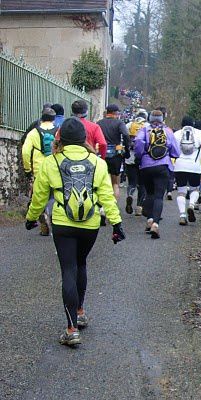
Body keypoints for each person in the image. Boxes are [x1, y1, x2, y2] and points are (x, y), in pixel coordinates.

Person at [24, 118, 125, 346]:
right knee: (81, 264)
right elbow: (106, 197)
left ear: (60, 139)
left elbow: (40, 197)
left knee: (68, 268)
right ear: (84, 138)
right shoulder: (98, 163)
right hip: (90, 225)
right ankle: (80, 311)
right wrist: (117, 224)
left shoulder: (51, 162)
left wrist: (31, 218)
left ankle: (71, 329)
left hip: (63, 223)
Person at [134, 109, 179, 239]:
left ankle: (149, 219)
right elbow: (176, 152)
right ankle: (155, 224)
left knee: (150, 193)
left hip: (146, 166)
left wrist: (140, 156)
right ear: (162, 119)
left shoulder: (144, 130)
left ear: (149, 118)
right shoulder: (168, 131)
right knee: (159, 196)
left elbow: (138, 144)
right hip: (163, 166)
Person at [21, 106, 58, 236]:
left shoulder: (33, 132)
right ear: (54, 119)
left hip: (39, 169)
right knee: (54, 195)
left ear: (41, 118)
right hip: (55, 168)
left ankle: (43, 216)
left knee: (39, 195)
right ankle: (54, 215)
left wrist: (27, 168)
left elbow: (25, 151)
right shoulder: (58, 131)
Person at [172, 116, 201, 226]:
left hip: (179, 166)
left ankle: (182, 215)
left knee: (181, 191)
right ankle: (192, 205)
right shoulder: (199, 133)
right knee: (195, 189)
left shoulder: (177, 134)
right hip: (194, 166)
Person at [97, 104, 130, 200]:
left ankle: (102, 206)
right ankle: (113, 205)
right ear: (116, 113)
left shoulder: (99, 123)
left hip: (101, 154)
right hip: (115, 154)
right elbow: (126, 135)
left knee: (101, 182)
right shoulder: (119, 123)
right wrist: (126, 150)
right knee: (115, 182)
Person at [124, 109, 148, 215]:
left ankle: (130, 195)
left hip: (130, 157)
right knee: (142, 183)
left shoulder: (129, 124)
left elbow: (124, 138)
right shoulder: (147, 126)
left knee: (132, 182)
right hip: (143, 158)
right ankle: (139, 207)